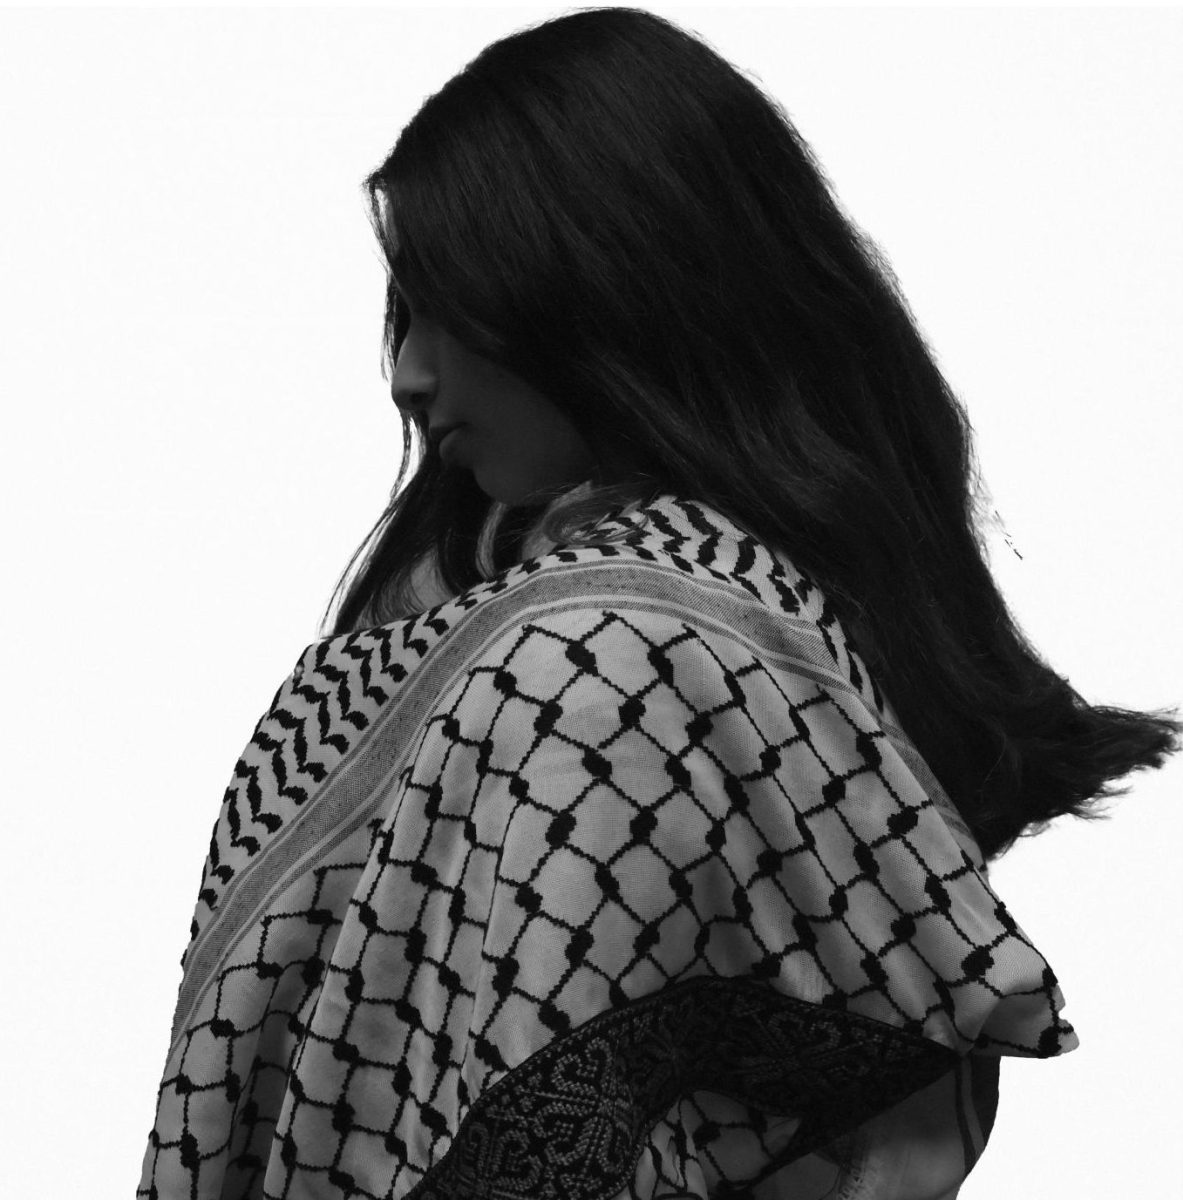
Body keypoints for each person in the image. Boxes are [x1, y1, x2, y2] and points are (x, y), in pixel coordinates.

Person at [137, 8, 1182, 1198]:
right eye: (404, 313)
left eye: (445, 307)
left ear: (594, 285)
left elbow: (905, 1121)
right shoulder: (485, 591)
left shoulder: (613, 647)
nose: (410, 375)